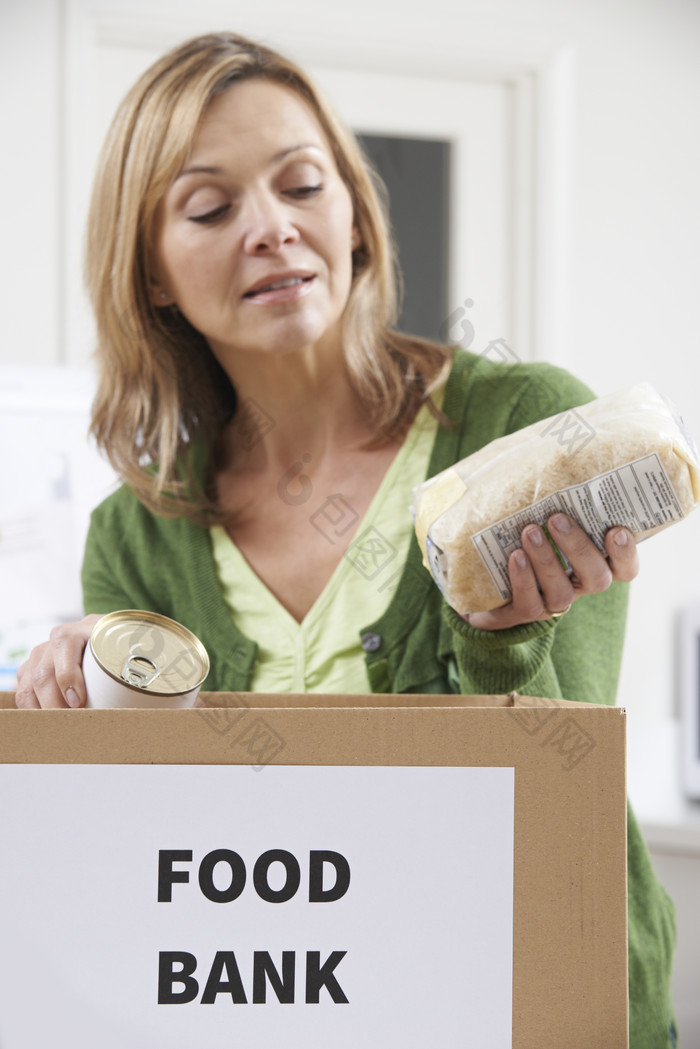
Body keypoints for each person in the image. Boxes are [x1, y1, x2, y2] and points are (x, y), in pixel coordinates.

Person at [15, 31, 676, 1046]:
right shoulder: (137, 533)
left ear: (357, 217)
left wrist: (499, 638)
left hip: (523, 1007)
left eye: (302, 184)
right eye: (210, 205)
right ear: (149, 270)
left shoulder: (527, 425)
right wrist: (70, 703)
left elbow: (555, 818)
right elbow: (146, 857)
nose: (272, 228)